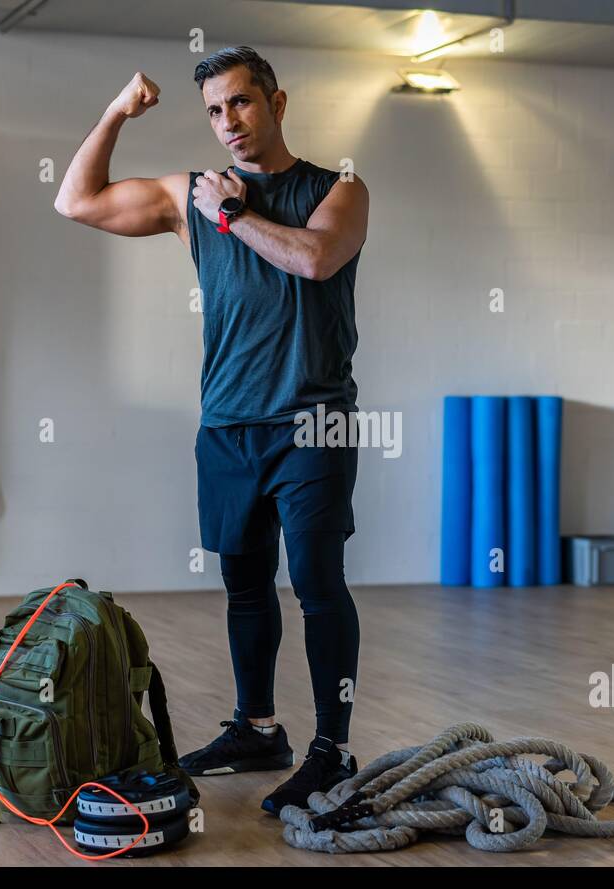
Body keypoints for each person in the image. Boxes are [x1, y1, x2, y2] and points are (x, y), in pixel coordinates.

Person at [54, 46, 369, 814]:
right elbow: (76, 200)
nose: (228, 121)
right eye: (215, 110)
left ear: (276, 102)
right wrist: (114, 114)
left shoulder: (339, 190)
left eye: (241, 103)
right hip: (228, 423)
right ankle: (258, 728)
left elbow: (317, 259)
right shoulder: (185, 195)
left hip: (312, 421)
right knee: (244, 585)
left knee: (318, 584)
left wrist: (234, 214)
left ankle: (332, 748)